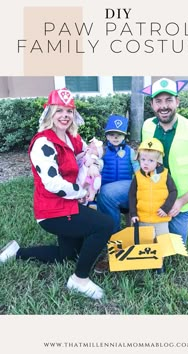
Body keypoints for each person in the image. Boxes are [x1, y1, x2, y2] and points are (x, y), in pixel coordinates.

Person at [0, 88, 114, 300]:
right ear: (49, 114)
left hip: (67, 203)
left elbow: (89, 156)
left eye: (69, 111)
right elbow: (53, 183)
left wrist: (94, 162)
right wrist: (81, 191)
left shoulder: (71, 138)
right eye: (59, 110)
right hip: (53, 210)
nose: (64, 115)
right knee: (104, 225)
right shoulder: (43, 142)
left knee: (69, 255)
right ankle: (79, 280)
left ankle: (17, 253)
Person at [141, 78, 188, 244]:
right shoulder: (147, 126)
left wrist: (181, 201)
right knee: (147, 240)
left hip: (180, 201)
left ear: (177, 102)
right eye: (158, 101)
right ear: (152, 105)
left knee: (174, 245)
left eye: (169, 100)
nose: (164, 106)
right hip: (151, 192)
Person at [97, 114, 139, 233]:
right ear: (106, 136)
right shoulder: (103, 151)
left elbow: (136, 166)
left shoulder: (130, 151)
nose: (115, 137)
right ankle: (113, 233)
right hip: (106, 188)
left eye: (119, 135)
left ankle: (130, 233)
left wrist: (139, 177)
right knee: (109, 215)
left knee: (130, 212)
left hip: (125, 190)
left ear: (124, 136)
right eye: (111, 134)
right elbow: (97, 165)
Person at [129, 138, 177, 237]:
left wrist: (166, 208)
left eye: (151, 160)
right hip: (142, 219)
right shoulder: (137, 176)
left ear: (158, 162)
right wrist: (133, 214)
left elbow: (173, 191)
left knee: (162, 243)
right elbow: (132, 195)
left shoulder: (165, 175)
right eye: (143, 159)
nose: (146, 163)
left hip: (160, 219)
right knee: (143, 244)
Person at [76, 137, 104, 203]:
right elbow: (76, 158)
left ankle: (91, 196)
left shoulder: (94, 157)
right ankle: (81, 199)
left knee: (92, 185)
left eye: (93, 149)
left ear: (98, 153)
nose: (90, 149)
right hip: (81, 175)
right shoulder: (85, 154)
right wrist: (83, 153)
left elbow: (89, 162)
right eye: (89, 146)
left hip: (89, 176)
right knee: (80, 185)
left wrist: (88, 154)